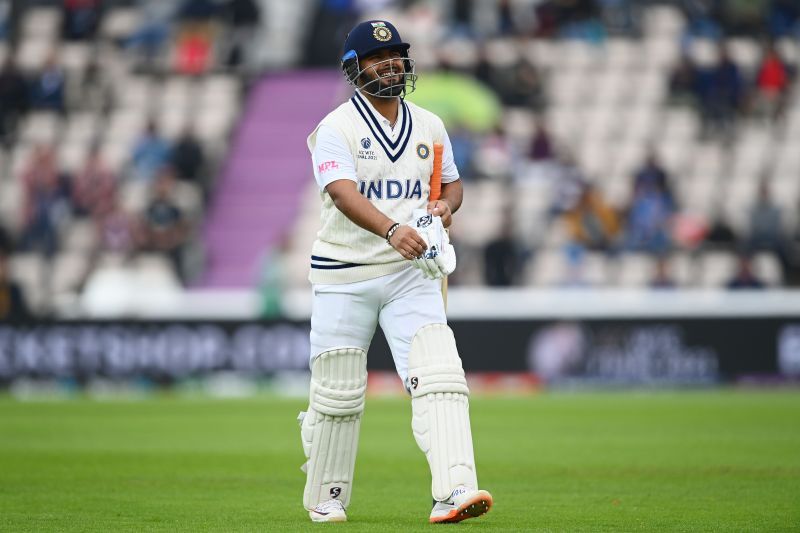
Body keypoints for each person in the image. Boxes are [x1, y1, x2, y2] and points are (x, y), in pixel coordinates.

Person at [300, 20, 493, 524]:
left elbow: (452, 185)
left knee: (440, 373)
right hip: (344, 271)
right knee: (338, 392)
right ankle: (327, 494)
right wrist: (391, 230)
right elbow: (342, 193)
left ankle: (455, 491)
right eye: (375, 57)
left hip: (412, 271)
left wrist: (445, 209)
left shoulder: (429, 124)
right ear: (353, 69)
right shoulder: (334, 129)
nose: (389, 64)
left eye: (396, 56)